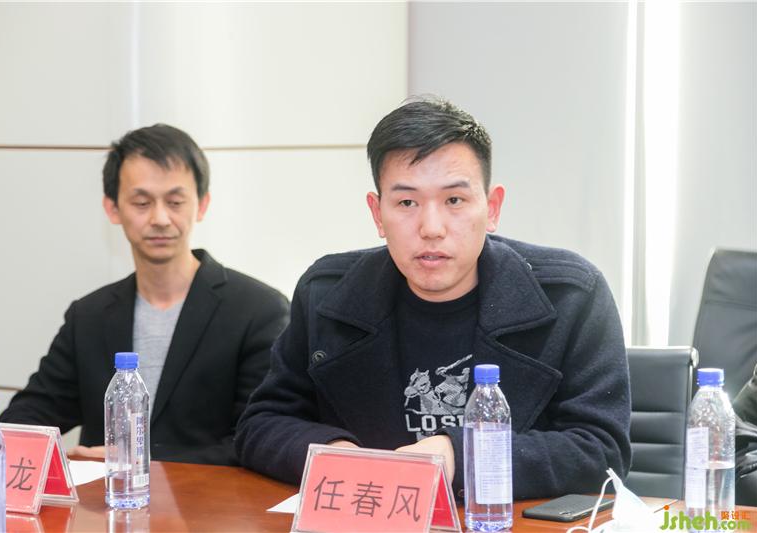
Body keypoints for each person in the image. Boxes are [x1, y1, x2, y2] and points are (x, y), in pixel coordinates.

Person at [235, 97, 631, 497]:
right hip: (373, 512)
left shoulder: (571, 295)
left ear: (492, 208)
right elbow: (262, 423)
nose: (431, 227)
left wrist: (460, 455)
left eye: (454, 200)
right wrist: (335, 455)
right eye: (406, 202)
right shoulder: (327, 294)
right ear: (377, 213)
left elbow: (601, 449)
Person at [0, 124, 290, 466]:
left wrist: (140, 462)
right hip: (105, 500)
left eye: (175, 201)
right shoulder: (89, 315)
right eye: (141, 202)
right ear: (113, 208)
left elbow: (258, 439)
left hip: (207, 500)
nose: (160, 218)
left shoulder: (259, 311)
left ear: (202, 205)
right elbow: (28, 417)